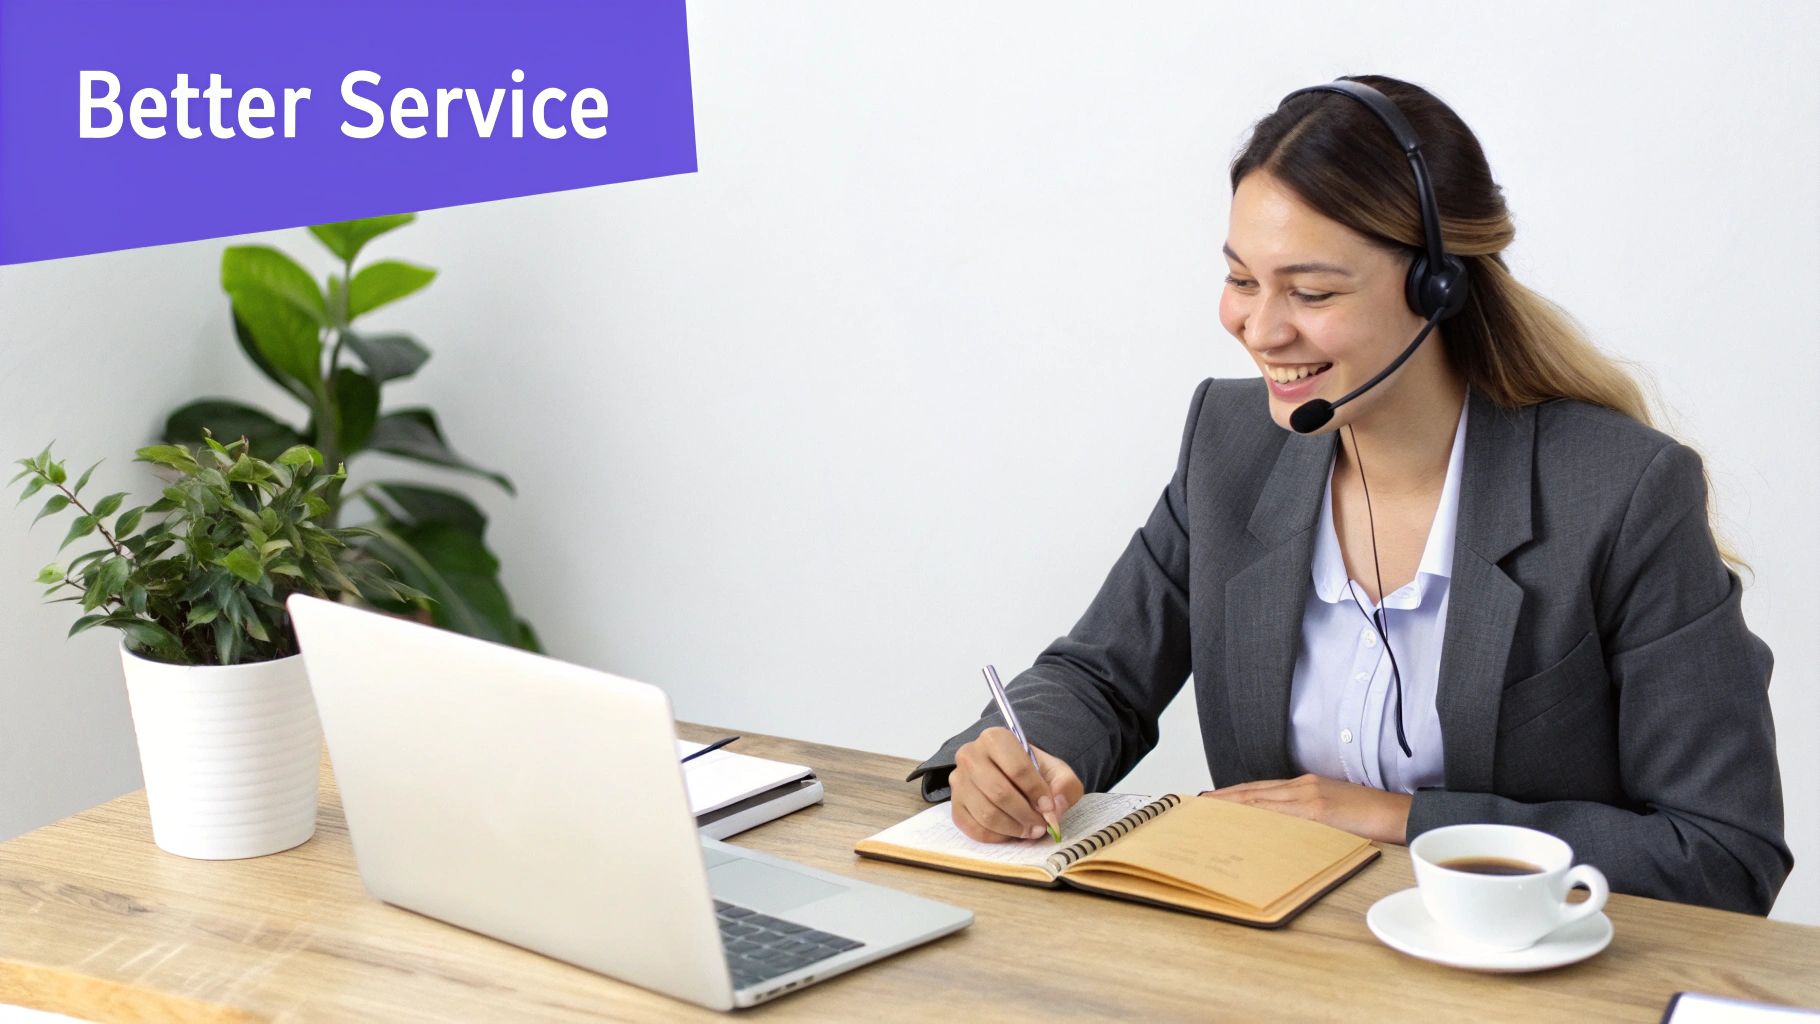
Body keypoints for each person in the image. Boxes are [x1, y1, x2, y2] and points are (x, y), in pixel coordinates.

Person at [906, 74, 1791, 915]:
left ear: (1436, 290)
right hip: (1284, 966)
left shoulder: (1623, 492)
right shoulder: (1230, 444)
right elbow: (1100, 678)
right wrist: (1024, 755)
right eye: (1242, 280)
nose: (1261, 328)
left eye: (1312, 291)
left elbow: (1724, 852)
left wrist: (1392, 820)